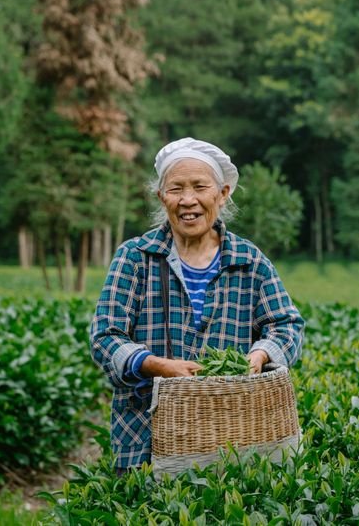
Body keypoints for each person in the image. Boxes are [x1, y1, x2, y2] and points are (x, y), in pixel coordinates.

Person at [90, 137, 304, 472]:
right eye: (176, 189)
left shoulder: (249, 260)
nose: (188, 200)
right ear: (162, 197)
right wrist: (157, 365)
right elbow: (105, 336)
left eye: (200, 187)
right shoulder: (135, 258)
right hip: (146, 439)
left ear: (223, 194)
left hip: (233, 439)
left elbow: (287, 325)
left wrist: (261, 354)